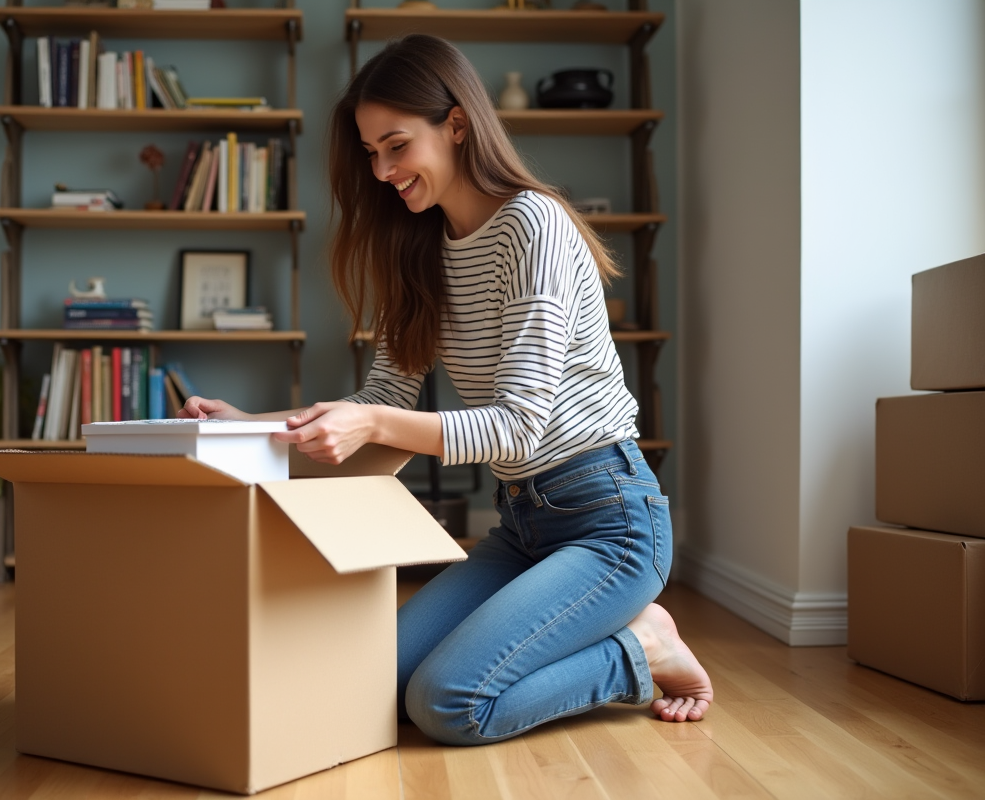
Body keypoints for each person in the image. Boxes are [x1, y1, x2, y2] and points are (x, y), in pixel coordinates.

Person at [178, 34, 712, 746]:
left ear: (456, 124)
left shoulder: (533, 225)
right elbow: (381, 403)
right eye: (371, 153)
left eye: (396, 145)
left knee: (447, 703)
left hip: (609, 522)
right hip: (523, 524)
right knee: (373, 683)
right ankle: (607, 637)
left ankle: (641, 649)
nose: (382, 170)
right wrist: (253, 423)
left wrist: (370, 424)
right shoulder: (423, 249)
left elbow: (517, 428)